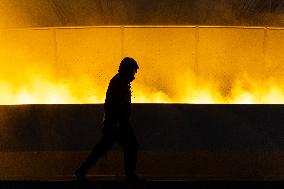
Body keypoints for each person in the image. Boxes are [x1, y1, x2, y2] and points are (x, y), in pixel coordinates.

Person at [75, 57, 145, 182]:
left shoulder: (120, 81)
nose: (134, 74)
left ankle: (81, 170)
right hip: (117, 123)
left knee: (103, 148)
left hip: (116, 123)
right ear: (127, 69)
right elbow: (112, 105)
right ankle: (130, 175)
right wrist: (115, 123)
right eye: (133, 71)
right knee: (131, 145)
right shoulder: (118, 83)